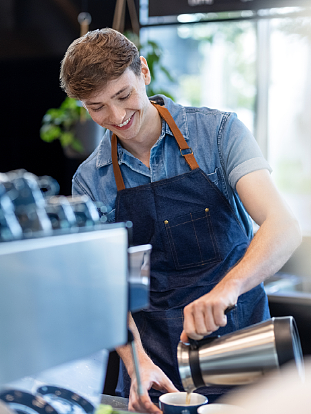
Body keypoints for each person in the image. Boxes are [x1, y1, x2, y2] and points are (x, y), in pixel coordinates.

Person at [60, 28, 301, 413]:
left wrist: (227, 290)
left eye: (123, 96)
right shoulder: (91, 180)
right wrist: (135, 359)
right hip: (153, 366)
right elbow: (103, 283)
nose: (117, 117)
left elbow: (283, 226)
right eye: (97, 107)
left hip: (242, 352)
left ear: (143, 71)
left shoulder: (219, 134)